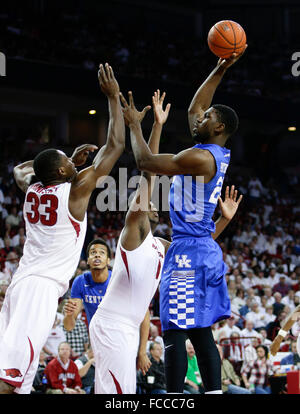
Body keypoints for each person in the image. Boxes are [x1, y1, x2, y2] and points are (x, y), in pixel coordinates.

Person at [122, 47, 246, 395]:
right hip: (199, 247)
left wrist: (135, 124)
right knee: (198, 330)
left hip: (190, 253)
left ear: (218, 126)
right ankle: (212, 392)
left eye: (206, 117)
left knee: (176, 328)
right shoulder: (216, 151)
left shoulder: (199, 158)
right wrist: (219, 69)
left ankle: (174, 397)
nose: (198, 118)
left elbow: (145, 161)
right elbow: (195, 106)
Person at [0, 63, 125, 394]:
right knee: (9, 376)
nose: (75, 164)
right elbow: (114, 147)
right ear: (60, 170)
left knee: (22, 380)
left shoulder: (31, 188)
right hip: (37, 290)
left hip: (21, 284)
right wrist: (112, 98)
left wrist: (66, 160)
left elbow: (21, 169)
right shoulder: (75, 191)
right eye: (68, 163)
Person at [89, 89, 171, 394]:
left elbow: (196, 248)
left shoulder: (161, 246)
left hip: (128, 328)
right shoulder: (134, 232)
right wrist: (148, 127)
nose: (151, 203)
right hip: (112, 325)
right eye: (145, 200)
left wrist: (223, 221)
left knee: (122, 393)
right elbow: (148, 169)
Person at [63, 238, 112, 331]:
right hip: (96, 336)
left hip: (120, 335)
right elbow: (68, 327)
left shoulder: (117, 280)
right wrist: (69, 315)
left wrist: (142, 345)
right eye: (93, 253)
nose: (97, 255)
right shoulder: (80, 281)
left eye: (102, 253)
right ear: (88, 261)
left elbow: (143, 313)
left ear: (108, 260)